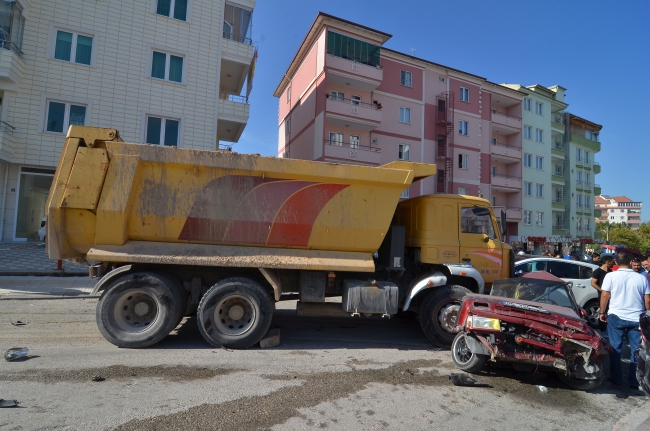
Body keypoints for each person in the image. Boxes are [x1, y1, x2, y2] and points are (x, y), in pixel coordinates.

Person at [600, 252, 650, 388]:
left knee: (615, 348)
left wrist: (602, 312)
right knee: (637, 350)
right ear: (629, 262)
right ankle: (634, 380)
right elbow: (648, 300)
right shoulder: (642, 278)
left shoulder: (610, 276)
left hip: (616, 316)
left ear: (616, 262)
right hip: (637, 318)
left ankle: (616, 378)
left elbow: (605, 295)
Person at [591, 255, 614, 331]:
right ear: (607, 262)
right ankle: (602, 329)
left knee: (609, 312)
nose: (613, 264)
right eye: (612, 262)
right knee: (602, 311)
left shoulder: (611, 272)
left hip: (612, 295)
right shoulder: (597, 271)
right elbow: (593, 283)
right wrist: (602, 291)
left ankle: (609, 328)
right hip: (602, 295)